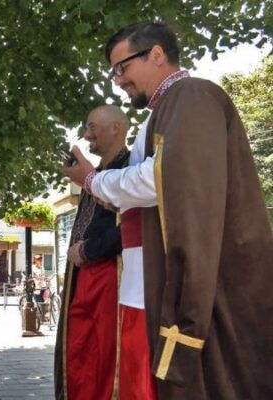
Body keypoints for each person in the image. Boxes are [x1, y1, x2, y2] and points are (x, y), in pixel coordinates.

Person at [67, 22, 273, 399]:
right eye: (114, 72)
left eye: (122, 67)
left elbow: (163, 179)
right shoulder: (164, 111)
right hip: (145, 287)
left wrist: (93, 180)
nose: (118, 80)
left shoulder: (193, 96)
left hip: (180, 290)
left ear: (157, 55)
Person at [54, 105, 129, 400]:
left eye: (92, 127)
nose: (87, 135)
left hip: (113, 275)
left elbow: (134, 227)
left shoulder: (131, 169)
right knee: (79, 353)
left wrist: (89, 249)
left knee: (108, 356)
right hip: (82, 277)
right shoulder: (94, 174)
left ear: (116, 128)